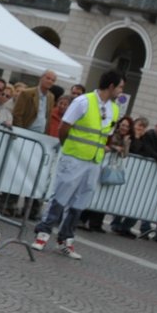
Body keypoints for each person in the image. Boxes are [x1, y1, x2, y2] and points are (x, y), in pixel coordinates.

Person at [31, 70, 126, 258]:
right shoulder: (83, 101)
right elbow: (64, 126)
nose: (122, 91)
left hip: (94, 161)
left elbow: (105, 134)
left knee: (80, 202)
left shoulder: (114, 108)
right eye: (121, 87)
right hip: (74, 157)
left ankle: (66, 239)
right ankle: (43, 233)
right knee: (60, 196)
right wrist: (68, 147)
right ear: (111, 86)